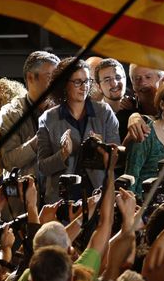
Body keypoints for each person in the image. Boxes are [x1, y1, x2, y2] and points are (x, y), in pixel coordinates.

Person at [37, 58, 120, 203]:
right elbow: (43, 167)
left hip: (98, 195)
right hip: (61, 199)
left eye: (87, 81)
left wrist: (103, 148)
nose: (84, 87)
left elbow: (117, 156)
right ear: (63, 84)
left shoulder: (104, 112)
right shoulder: (48, 118)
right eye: (77, 82)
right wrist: (63, 154)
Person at [0, 51, 59, 181]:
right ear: (30, 77)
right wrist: (38, 140)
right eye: (50, 77)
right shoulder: (10, 113)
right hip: (22, 196)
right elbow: (7, 162)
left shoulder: (63, 110)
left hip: (57, 194)